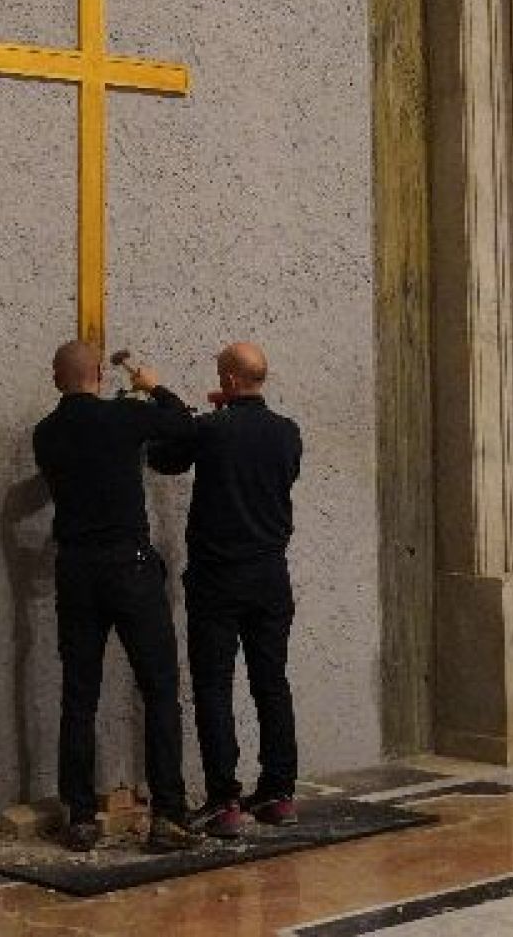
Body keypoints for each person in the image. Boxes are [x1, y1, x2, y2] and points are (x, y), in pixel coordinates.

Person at [33, 338, 202, 852]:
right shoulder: (127, 416)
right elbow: (184, 427)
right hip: (128, 565)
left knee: (79, 695)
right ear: (101, 377)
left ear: (57, 376)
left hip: (76, 570)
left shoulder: (45, 432)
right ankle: (168, 815)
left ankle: (81, 816)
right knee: (158, 689)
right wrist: (153, 387)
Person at [149, 340, 302, 838]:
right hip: (271, 576)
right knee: (271, 682)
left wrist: (172, 406)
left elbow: (166, 460)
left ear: (230, 381)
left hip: (219, 579)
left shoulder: (210, 430)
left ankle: (223, 800)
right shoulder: (287, 433)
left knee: (214, 686)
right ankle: (279, 793)